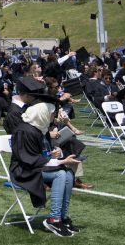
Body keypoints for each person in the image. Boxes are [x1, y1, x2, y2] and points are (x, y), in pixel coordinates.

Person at [10, 100, 81, 237]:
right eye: (51, 114)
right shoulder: (23, 131)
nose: (53, 118)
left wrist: (57, 154)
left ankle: (61, 217)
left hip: (38, 167)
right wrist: (58, 161)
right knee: (61, 174)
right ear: (42, 114)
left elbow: (43, 154)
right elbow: (29, 159)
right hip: (24, 171)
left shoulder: (40, 128)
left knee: (68, 173)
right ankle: (54, 219)